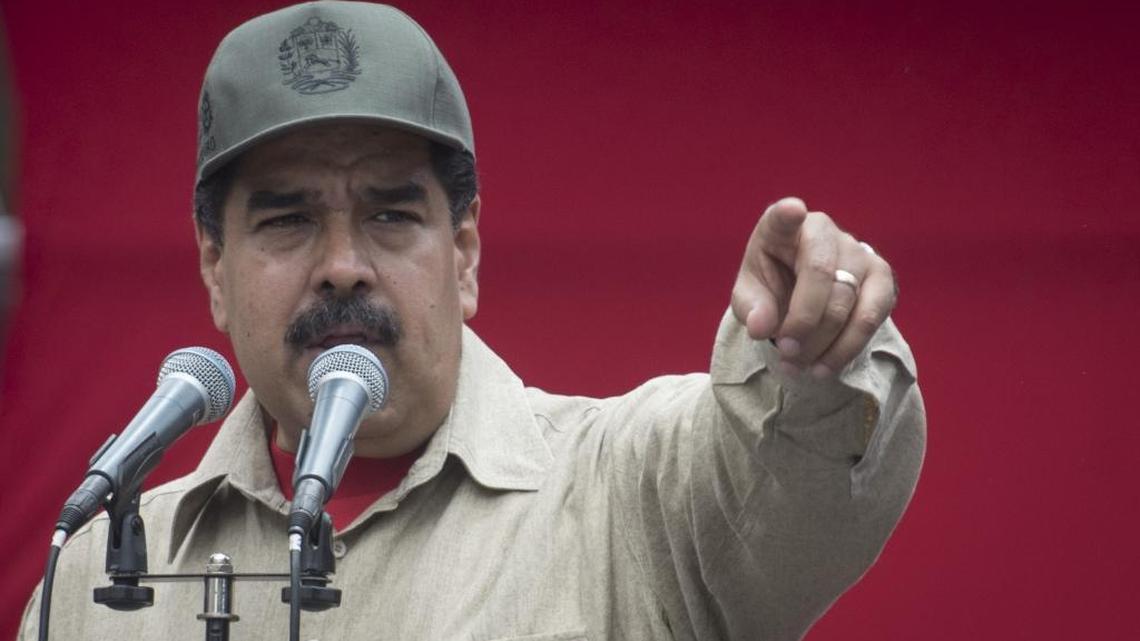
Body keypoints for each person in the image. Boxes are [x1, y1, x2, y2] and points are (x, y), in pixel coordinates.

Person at [19, 2, 924, 640]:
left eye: (390, 214)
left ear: (466, 255)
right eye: (288, 219)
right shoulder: (100, 577)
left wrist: (814, 350)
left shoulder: (626, 495)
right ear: (215, 268)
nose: (341, 262)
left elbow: (788, 468)